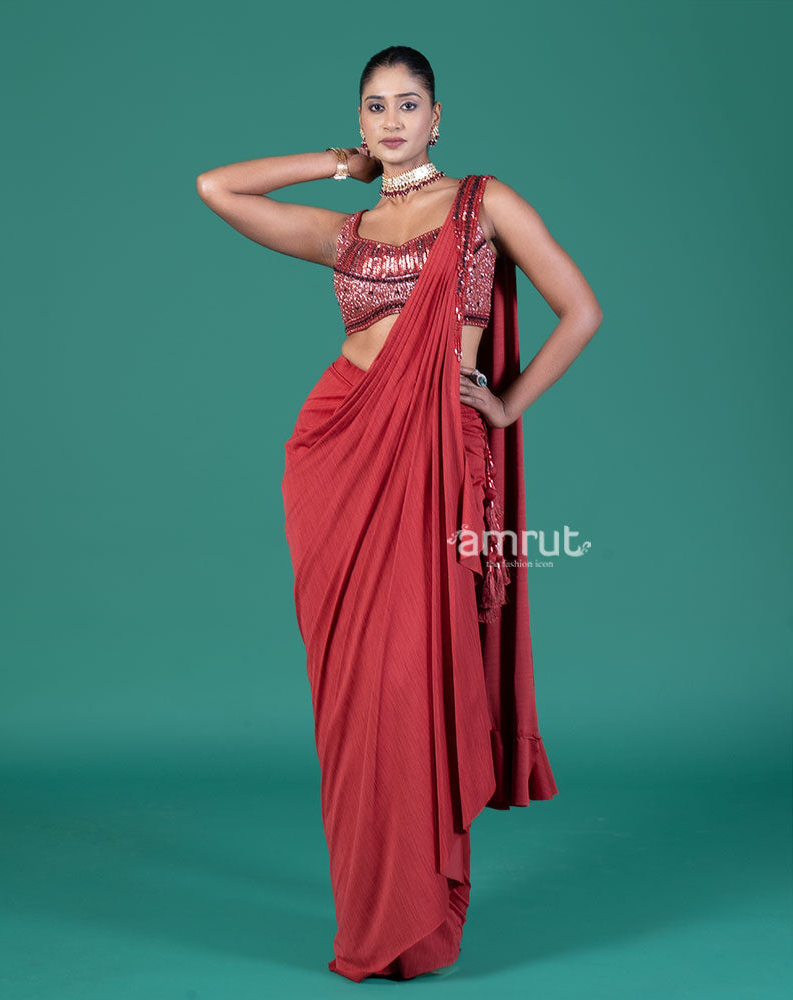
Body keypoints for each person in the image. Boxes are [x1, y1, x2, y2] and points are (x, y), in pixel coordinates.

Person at [196, 44, 603, 983]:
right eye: (375, 107)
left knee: (413, 673)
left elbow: (579, 308)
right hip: (340, 454)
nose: (390, 121)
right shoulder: (345, 234)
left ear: (437, 116)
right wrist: (337, 165)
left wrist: (506, 404)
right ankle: (373, 910)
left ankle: (419, 912)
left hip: (437, 458)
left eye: (407, 104)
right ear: (361, 120)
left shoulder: (483, 204)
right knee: (353, 694)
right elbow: (217, 187)